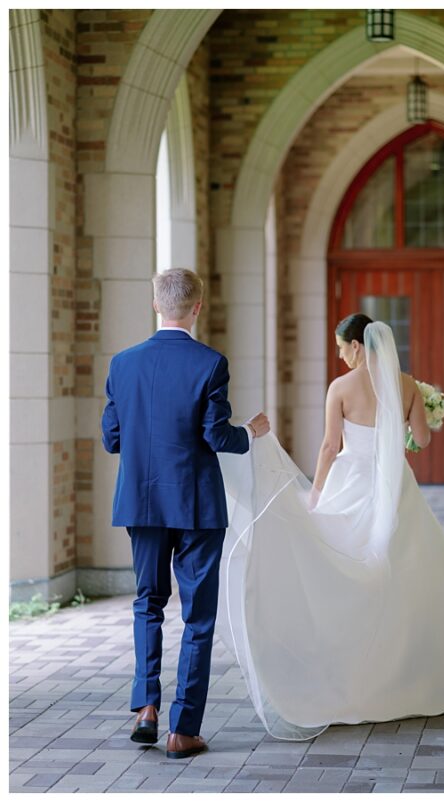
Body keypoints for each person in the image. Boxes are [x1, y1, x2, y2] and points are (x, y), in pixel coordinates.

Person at [215, 313, 444, 740]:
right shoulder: (408, 385)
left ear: (358, 346)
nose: (340, 356)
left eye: (342, 348)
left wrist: (315, 495)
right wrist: (412, 424)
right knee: (412, 569)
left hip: (351, 483)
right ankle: (417, 665)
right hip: (395, 486)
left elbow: (330, 446)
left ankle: (352, 661)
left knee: (345, 566)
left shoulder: (340, 388)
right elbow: (421, 440)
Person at [102, 268, 270, 759]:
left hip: (142, 503)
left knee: (147, 603)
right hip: (196, 505)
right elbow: (216, 436)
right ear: (197, 307)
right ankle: (183, 730)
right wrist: (251, 432)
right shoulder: (211, 363)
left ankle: (145, 709)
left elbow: (112, 438)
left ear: (155, 304)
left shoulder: (122, 364)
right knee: (197, 617)